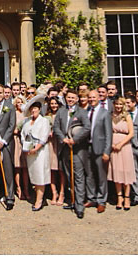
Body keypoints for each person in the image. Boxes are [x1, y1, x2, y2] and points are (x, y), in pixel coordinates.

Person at [52, 88, 90, 219]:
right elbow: (56, 127)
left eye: (73, 98)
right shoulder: (61, 111)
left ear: (77, 99)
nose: (71, 99)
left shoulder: (82, 112)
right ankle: (73, 200)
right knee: (69, 176)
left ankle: (79, 206)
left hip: (77, 149)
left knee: (78, 177)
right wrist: (63, 138)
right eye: (69, 97)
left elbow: (87, 127)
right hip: (65, 148)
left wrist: (75, 139)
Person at [21, 94, 50, 211]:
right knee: (33, 174)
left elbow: (44, 137)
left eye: (35, 109)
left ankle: (39, 200)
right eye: (31, 109)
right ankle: (37, 195)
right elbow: (23, 135)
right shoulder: (27, 122)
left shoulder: (44, 121)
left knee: (40, 175)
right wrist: (27, 146)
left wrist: (36, 148)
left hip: (40, 152)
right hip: (30, 152)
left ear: (39, 109)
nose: (33, 111)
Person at [85, 85, 112, 213]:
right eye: (89, 97)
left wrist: (107, 151)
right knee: (89, 174)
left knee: (101, 176)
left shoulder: (104, 113)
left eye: (93, 97)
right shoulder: (85, 112)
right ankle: (91, 198)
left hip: (100, 148)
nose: (91, 99)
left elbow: (108, 134)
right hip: (87, 148)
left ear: (98, 98)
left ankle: (101, 200)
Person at [107, 96, 136, 210]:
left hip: (124, 146)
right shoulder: (110, 116)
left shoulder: (127, 116)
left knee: (126, 172)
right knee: (116, 171)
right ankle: (119, 197)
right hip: (113, 146)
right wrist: (112, 144)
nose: (118, 106)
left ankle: (127, 197)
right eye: (116, 104)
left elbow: (131, 133)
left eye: (120, 104)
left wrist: (120, 144)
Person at [45, 96, 65, 206]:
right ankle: (54, 193)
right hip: (50, 143)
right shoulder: (47, 116)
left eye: (55, 104)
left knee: (61, 169)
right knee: (51, 169)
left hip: (59, 142)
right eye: (52, 104)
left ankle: (62, 193)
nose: (54, 106)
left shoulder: (62, 114)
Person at [11, 95, 30, 201]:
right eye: (17, 102)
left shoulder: (26, 114)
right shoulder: (14, 113)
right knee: (17, 166)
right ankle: (19, 188)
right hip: (16, 139)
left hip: (25, 140)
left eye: (21, 102)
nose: (19, 104)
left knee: (25, 167)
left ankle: (26, 189)